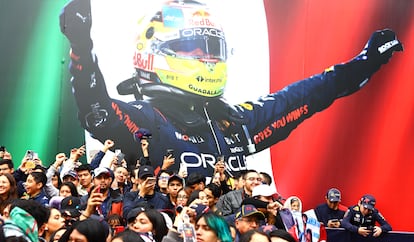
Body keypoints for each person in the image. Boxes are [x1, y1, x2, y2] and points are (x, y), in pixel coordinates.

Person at [59, 0, 402, 177]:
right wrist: (81, 48)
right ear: (155, 53)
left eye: (211, 50)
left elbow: (307, 95)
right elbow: (97, 110)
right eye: (194, 50)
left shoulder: (234, 123)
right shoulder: (144, 117)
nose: (207, 60)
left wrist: (364, 62)